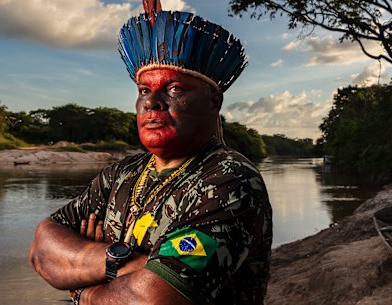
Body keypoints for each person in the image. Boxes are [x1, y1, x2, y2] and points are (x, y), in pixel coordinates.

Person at [28, 1, 272, 304]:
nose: (152, 102)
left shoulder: (229, 179)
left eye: (174, 90)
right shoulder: (121, 174)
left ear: (213, 103)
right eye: (144, 90)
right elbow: (42, 249)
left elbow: (151, 300)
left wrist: (84, 290)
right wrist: (120, 261)